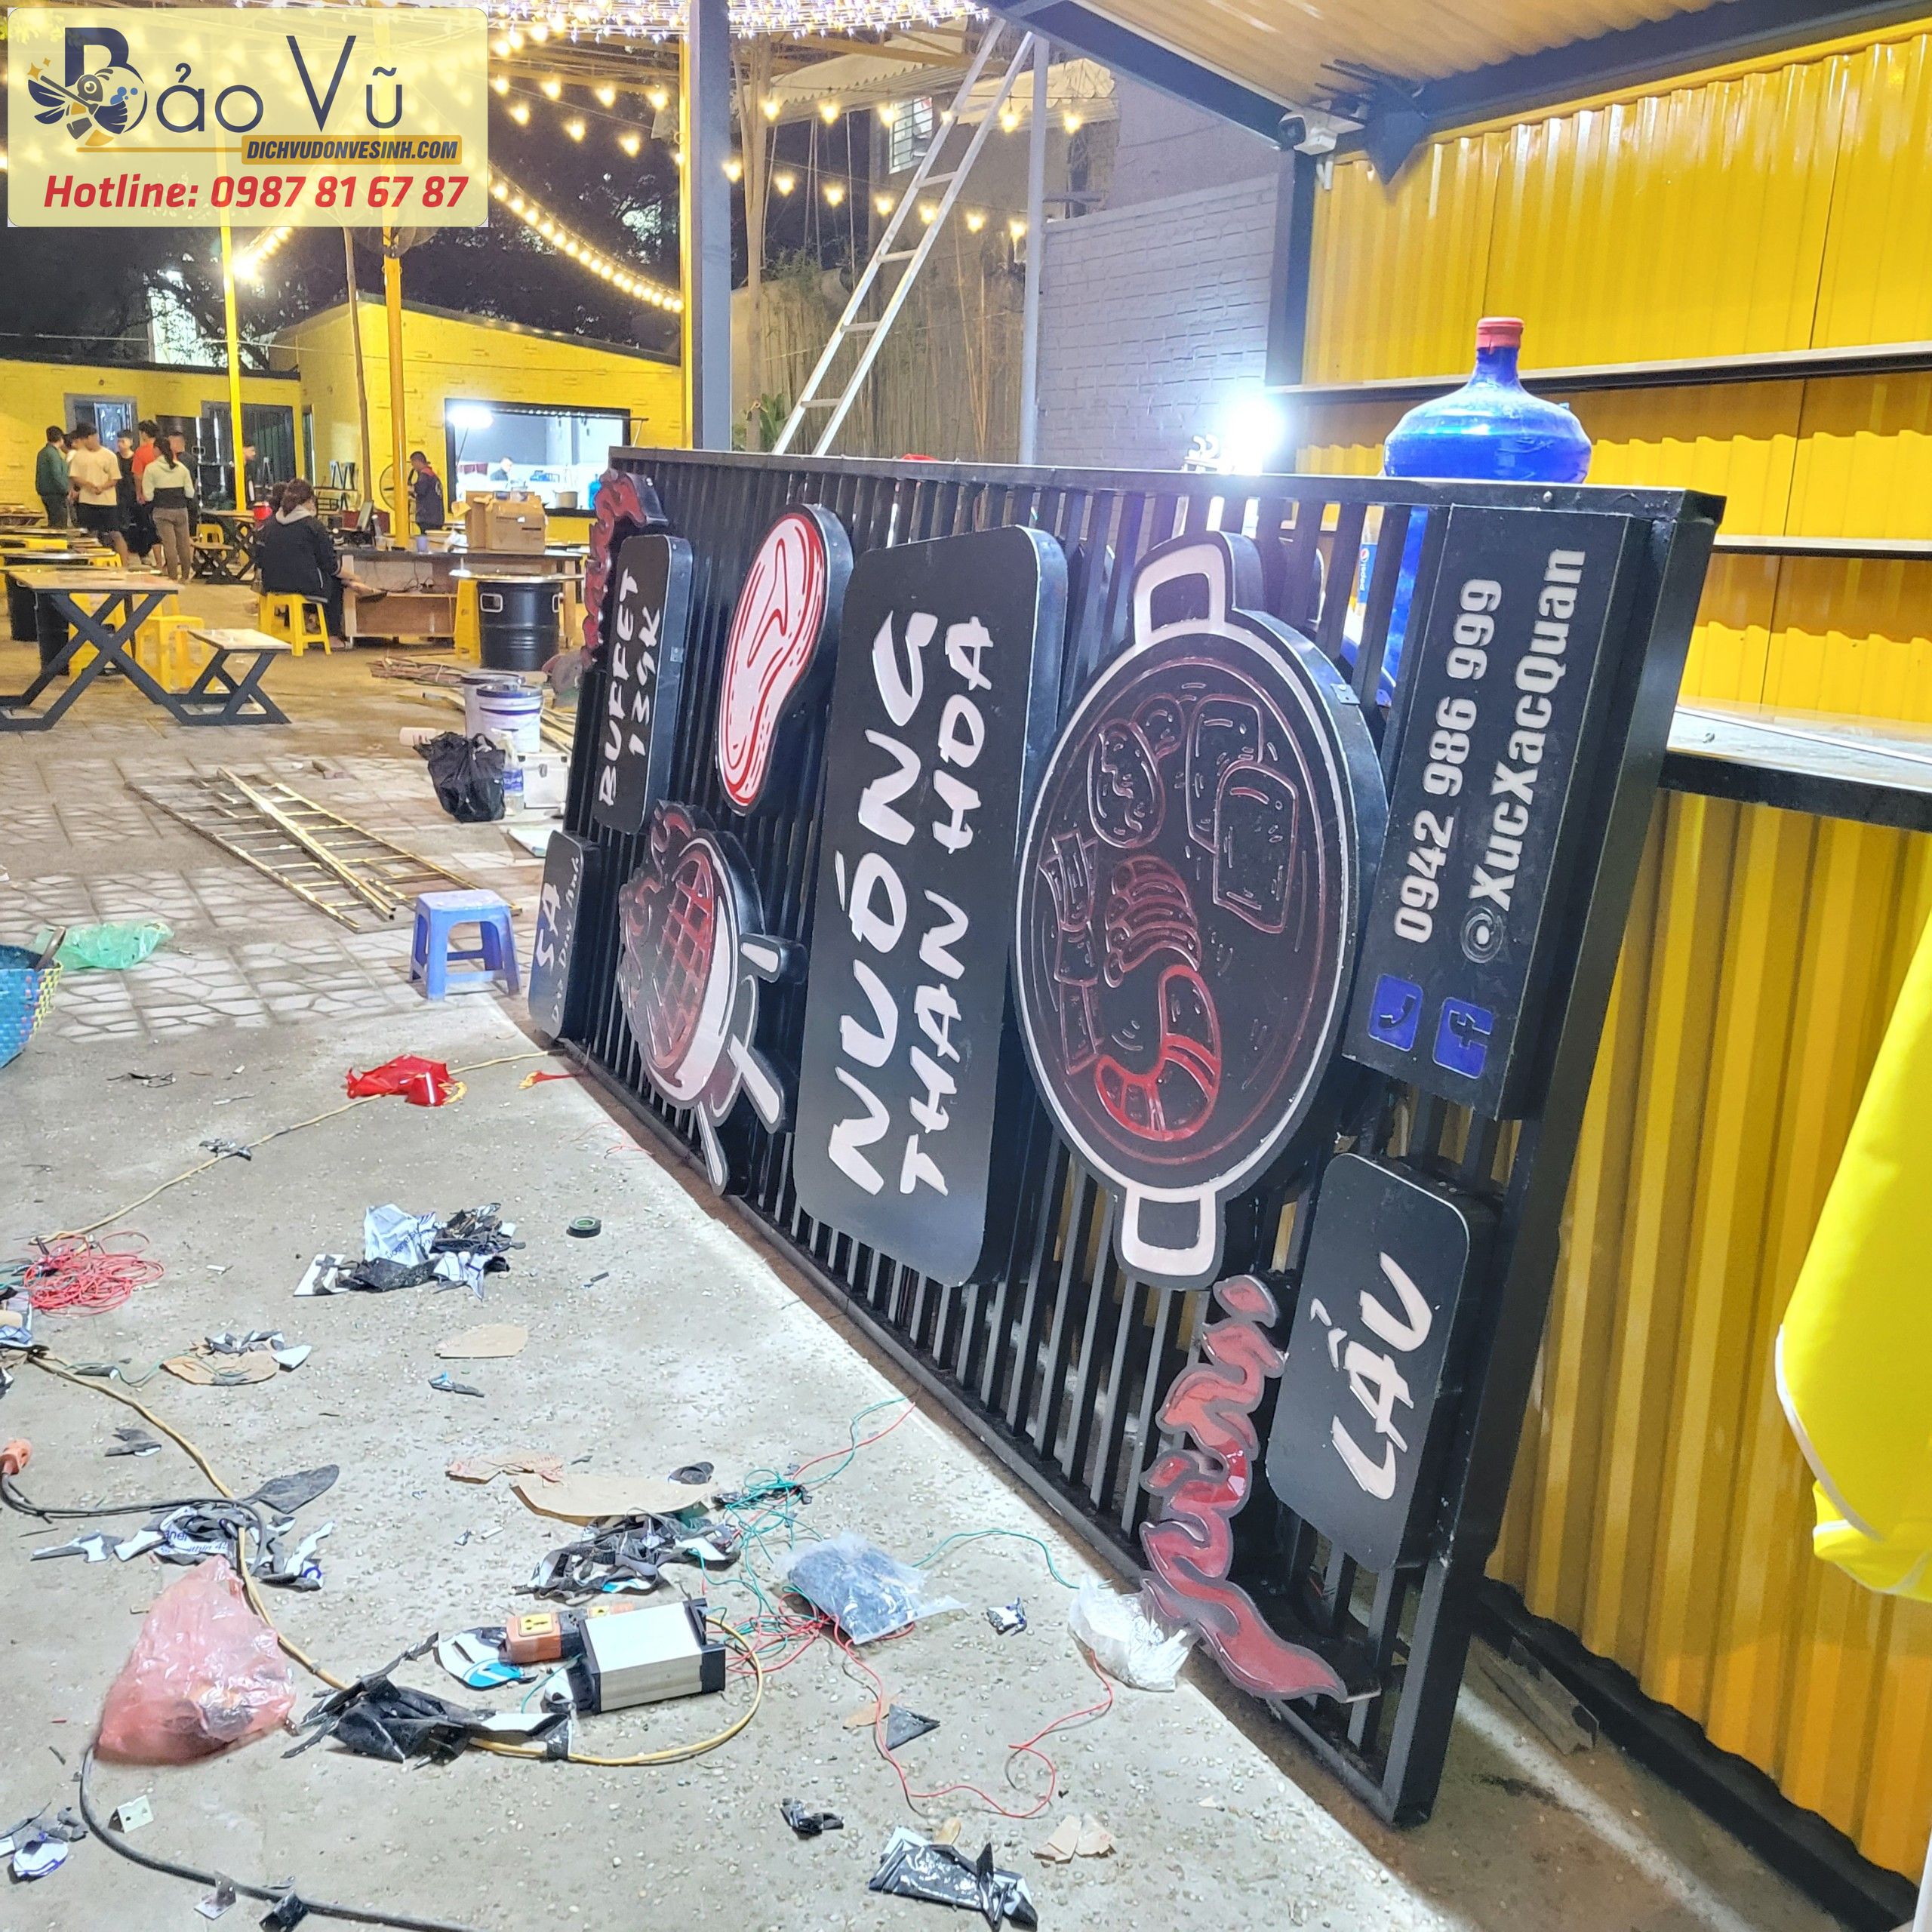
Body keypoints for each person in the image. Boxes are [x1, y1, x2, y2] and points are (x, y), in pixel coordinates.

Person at [257, 476, 353, 645]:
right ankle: (332, 636)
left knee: (298, 574)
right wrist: (352, 577)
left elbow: (259, 557)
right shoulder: (313, 526)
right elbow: (330, 565)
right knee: (335, 583)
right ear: (309, 501)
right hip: (304, 586)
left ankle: (295, 624)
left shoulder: (269, 525)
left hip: (271, 584)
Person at [66, 420, 129, 561]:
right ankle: (90, 563)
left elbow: (115, 479)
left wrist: (102, 487)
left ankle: (124, 564)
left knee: (115, 534)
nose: (83, 442)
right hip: (87, 502)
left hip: (108, 502)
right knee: (88, 535)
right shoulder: (79, 455)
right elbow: (74, 476)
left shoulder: (109, 455)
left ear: (92, 437)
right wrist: (88, 485)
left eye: (84, 439)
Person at [140, 431, 197, 581]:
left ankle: (172, 576)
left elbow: (148, 496)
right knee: (184, 543)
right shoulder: (181, 468)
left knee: (169, 545)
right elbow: (190, 493)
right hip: (181, 510)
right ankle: (185, 575)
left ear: (157, 450)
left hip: (162, 510)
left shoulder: (151, 469)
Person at [35, 426, 70, 528]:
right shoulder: (53, 454)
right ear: (61, 439)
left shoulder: (42, 452)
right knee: (59, 525)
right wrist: (66, 489)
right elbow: (56, 475)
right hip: (56, 493)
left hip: (45, 492)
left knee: (53, 522)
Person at [408, 449, 446, 533]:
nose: (413, 467)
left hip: (427, 518)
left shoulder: (425, 475)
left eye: (413, 464)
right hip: (437, 517)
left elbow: (420, 489)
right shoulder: (433, 476)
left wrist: (409, 489)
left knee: (426, 540)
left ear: (417, 461)